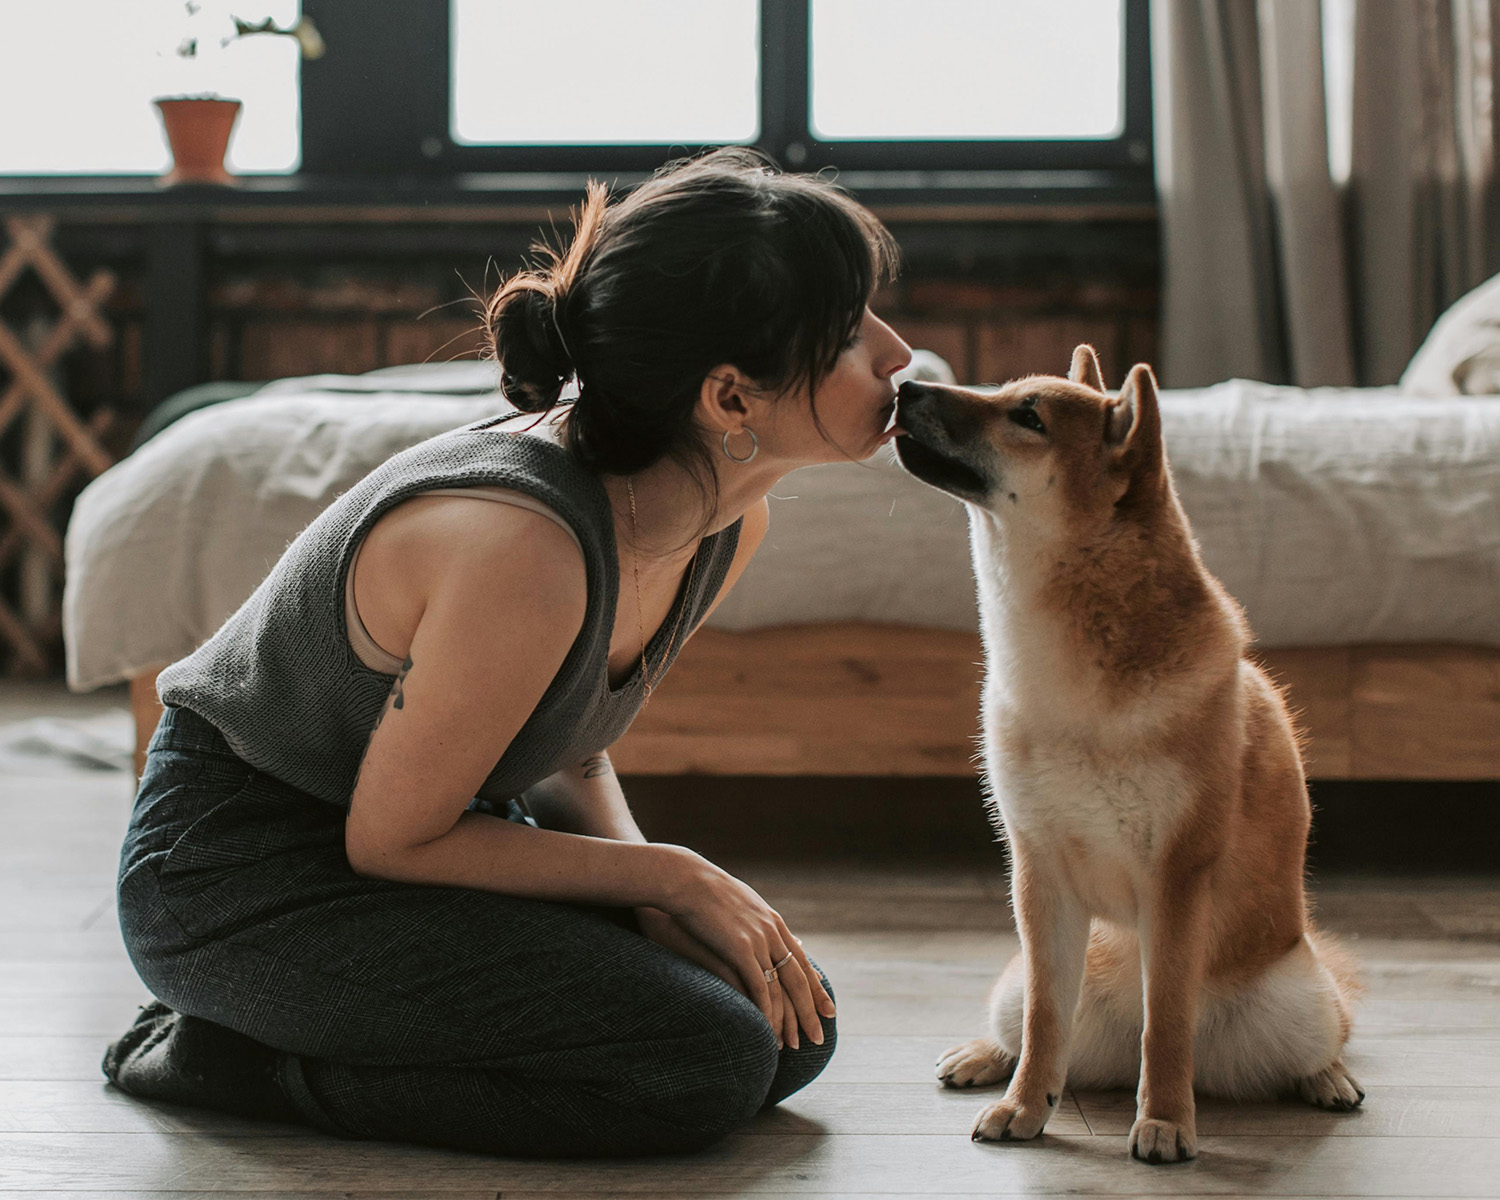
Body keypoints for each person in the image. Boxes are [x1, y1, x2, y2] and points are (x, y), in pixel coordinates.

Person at [101, 146, 913, 1158]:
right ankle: (230, 1057)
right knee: (704, 1062)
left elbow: (569, 738)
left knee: (792, 1028)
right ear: (731, 400)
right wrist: (671, 879)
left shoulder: (722, 521)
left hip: (425, 837)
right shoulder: (520, 545)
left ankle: (313, 1025)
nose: (898, 354)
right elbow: (391, 842)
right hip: (239, 876)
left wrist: (649, 886)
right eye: (848, 334)